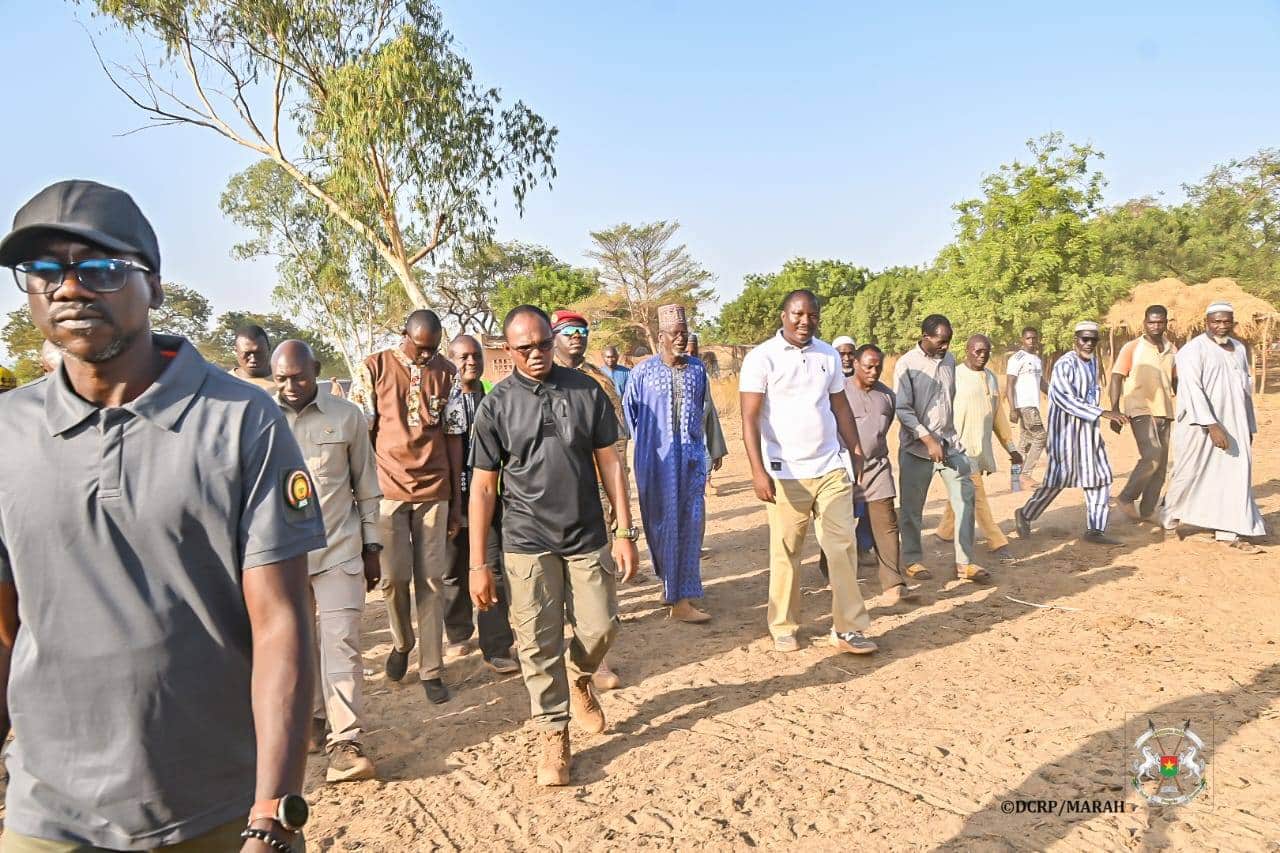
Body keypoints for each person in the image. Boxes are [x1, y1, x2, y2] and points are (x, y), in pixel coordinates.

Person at [0, 180, 323, 851]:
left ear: (155, 285)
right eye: (42, 270)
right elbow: (3, 633)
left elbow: (282, 624)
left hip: (214, 812)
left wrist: (274, 812)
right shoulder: (6, 433)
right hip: (48, 816)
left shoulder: (241, 422)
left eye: (99, 268)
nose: (69, 288)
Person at [468, 305, 639, 787]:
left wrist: (624, 532)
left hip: (586, 532)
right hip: (525, 539)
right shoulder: (496, 404)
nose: (537, 353)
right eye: (525, 348)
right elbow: (482, 487)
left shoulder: (586, 390)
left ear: (552, 339)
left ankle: (581, 675)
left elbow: (610, 465)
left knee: (602, 624)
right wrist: (478, 563)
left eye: (543, 343)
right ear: (509, 350)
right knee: (537, 643)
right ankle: (553, 732)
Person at [739, 289, 877, 655]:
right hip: (785, 472)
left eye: (812, 315)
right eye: (798, 314)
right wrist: (758, 470)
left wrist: (856, 448)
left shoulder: (828, 355)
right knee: (787, 551)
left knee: (842, 546)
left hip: (830, 466)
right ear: (783, 315)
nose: (805, 322)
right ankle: (783, 625)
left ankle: (848, 628)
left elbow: (839, 406)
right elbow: (749, 418)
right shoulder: (761, 358)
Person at [273, 340, 382, 784]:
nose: (291, 386)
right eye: (282, 378)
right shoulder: (259, 420)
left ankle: (346, 742)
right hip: (281, 560)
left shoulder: (347, 416)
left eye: (299, 376)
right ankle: (315, 720)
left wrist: (372, 547)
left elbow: (367, 486)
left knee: (341, 645)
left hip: (339, 550)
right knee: (299, 648)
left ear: (315, 370)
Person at [355, 309, 462, 705]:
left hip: (434, 491)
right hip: (388, 493)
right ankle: (401, 642)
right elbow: (361, 434)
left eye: (433, 349)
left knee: (432, 581)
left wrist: (455, 502)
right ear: (405, 335)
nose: (426, 357)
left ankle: (432, 668)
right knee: (394, 579)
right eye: (421, 348)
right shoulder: (373, 368)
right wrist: (361, 496)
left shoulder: (447, 373)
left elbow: (453, 438)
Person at [623, 305, 726, 623]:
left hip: (691, 461)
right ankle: (670, 586)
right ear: (661, 337)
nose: (681, 338)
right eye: (675, 334)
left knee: (691, 524)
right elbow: (631, 415)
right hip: (655, 463)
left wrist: (708, 450)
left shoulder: (697, 370)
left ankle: (681, 598)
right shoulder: (642, 373)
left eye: (684, 332)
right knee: (659, 525)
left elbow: (704, 411)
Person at [550, 308, 626, 690]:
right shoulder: (539, 379)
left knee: (597, 580)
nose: (576, 336)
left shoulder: (600, 381)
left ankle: (597, 663)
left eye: (582, 330)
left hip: (596, 494)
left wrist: (619, 503)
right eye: (568, 331)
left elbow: (616, 444)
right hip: (550, 496)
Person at [1161, 303, 1266, 552]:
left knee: (1233, 476)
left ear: (1233, 322)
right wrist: (1211, 424)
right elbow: (1191, 390)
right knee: (1189, 473)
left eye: (1226, 321)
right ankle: (1169, 519)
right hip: (1200, 426)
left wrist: (1248, 427)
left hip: (1235, 425)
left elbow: (1244, 392)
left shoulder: (1239, 348)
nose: (1221, 326)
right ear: (1206, 322)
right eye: (1215, 322)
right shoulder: (1192, 351)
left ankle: (1228, 531)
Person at [441, 334, 518, 672]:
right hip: (450, 499)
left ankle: (497, 646)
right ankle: (458, 632)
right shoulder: (441, 399)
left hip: (489, 498)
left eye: (476, 356)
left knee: (492, 570)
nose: (471, 362)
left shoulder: (495, 398)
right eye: (463, 357)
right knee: (453, 572)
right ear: (450, 359)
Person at [1015, 321, 1129, 545]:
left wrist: (1107, 415)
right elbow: (1064, 399)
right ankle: (1026, 513)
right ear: (1075, 340)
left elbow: (1092, 394)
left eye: (1093, 340)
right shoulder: (1064, 364)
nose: (1088, 344)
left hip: (1089, 433)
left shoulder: (1093, 362)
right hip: (1065, 435)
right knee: (1057, 481)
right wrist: (1102, 413)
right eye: (1084, 339)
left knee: (1100, 477)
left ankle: (1095, 529)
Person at [894, 315, 987, 583]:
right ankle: (912, 560)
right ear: (924, 336)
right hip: (916, 448)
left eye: (948, 342)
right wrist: (927, 438)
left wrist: (944, 437)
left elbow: (949, 400)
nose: (945, 347)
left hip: (949, 444)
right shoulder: (906, 364)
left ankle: (965, 562)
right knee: (912, 509)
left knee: (965, 496)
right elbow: (903, 409)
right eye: (940, 341)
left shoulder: (949, 362)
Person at [936, 335, 1023, 563]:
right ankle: (997, 541)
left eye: (986, 351)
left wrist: (1011, 447)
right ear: (967, 351)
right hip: (958, 450)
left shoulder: (992, 378)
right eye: (977, 351)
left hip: (979, 449)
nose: (982, 355)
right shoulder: (954, 376)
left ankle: (945, 530)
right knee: (976, 496)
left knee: (963, 493)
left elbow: (997, 416)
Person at [840, 344, 916, 604]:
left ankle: (893, 583)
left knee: (886, 524)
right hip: (843, 469)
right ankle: (831, 573)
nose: (874, 372)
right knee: (839, 525)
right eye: (868, 366)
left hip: (877, 468)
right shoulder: (839, 392)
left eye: (878, 367)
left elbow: (882, 430)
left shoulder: (887, 396)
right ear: (856, 365)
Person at [1109, 305, 1177, 523]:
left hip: (1165, 411)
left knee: (1161, 465)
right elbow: (1117, 377)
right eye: (1151, 322)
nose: (1156, 326)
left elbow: (1176, 380)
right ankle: (1127, 497)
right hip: (1140, 407)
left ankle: (1147, 511)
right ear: (1144, 323)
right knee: (1152, 455)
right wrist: (1115, 409)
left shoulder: (1171, 349)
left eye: (1160, 322)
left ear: (1166, 323)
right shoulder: (1133, 347)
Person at [1006, 327, 1047, 488]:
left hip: (1033, 404)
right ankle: (1025, 474)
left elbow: (1042, 383)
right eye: (1029, 338)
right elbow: (1010, 384)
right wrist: (1012, 408)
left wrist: (1058, 395)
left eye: (1034, 338)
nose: (1032, 341)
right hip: (1024, 404)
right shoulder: (1017, 358)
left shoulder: (1036, 359)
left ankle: (1016, 481)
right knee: (1041, 437)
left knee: (1025, 441)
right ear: (1022, 340)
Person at [230, 324, 277, 392]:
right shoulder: (225, 383)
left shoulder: (286, 382)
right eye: (247, 353)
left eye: (258, 353)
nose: (253, 359)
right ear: (236, 351)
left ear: (269, 349)